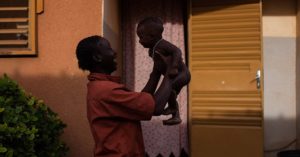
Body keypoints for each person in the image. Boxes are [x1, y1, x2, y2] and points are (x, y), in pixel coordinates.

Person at [75, 35, 174, 157]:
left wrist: (156, 71)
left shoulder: (100, 87)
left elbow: (141, 102)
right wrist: (171, 72)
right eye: (109, 49)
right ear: (97, 57)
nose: (114, 53)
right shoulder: (105, 91)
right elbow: (155, 107)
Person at [136, 17, 191, 125]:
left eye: (141, 37)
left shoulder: (162, 44)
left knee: (169, 89)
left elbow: (177, 51)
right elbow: (157, 67)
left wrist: (174, 66)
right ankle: (175, 114)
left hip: (182, 74)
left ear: (152, 36)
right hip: (175, 75)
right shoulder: (153, 49)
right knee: (171, 92)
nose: (139, 41)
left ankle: (173, 110)